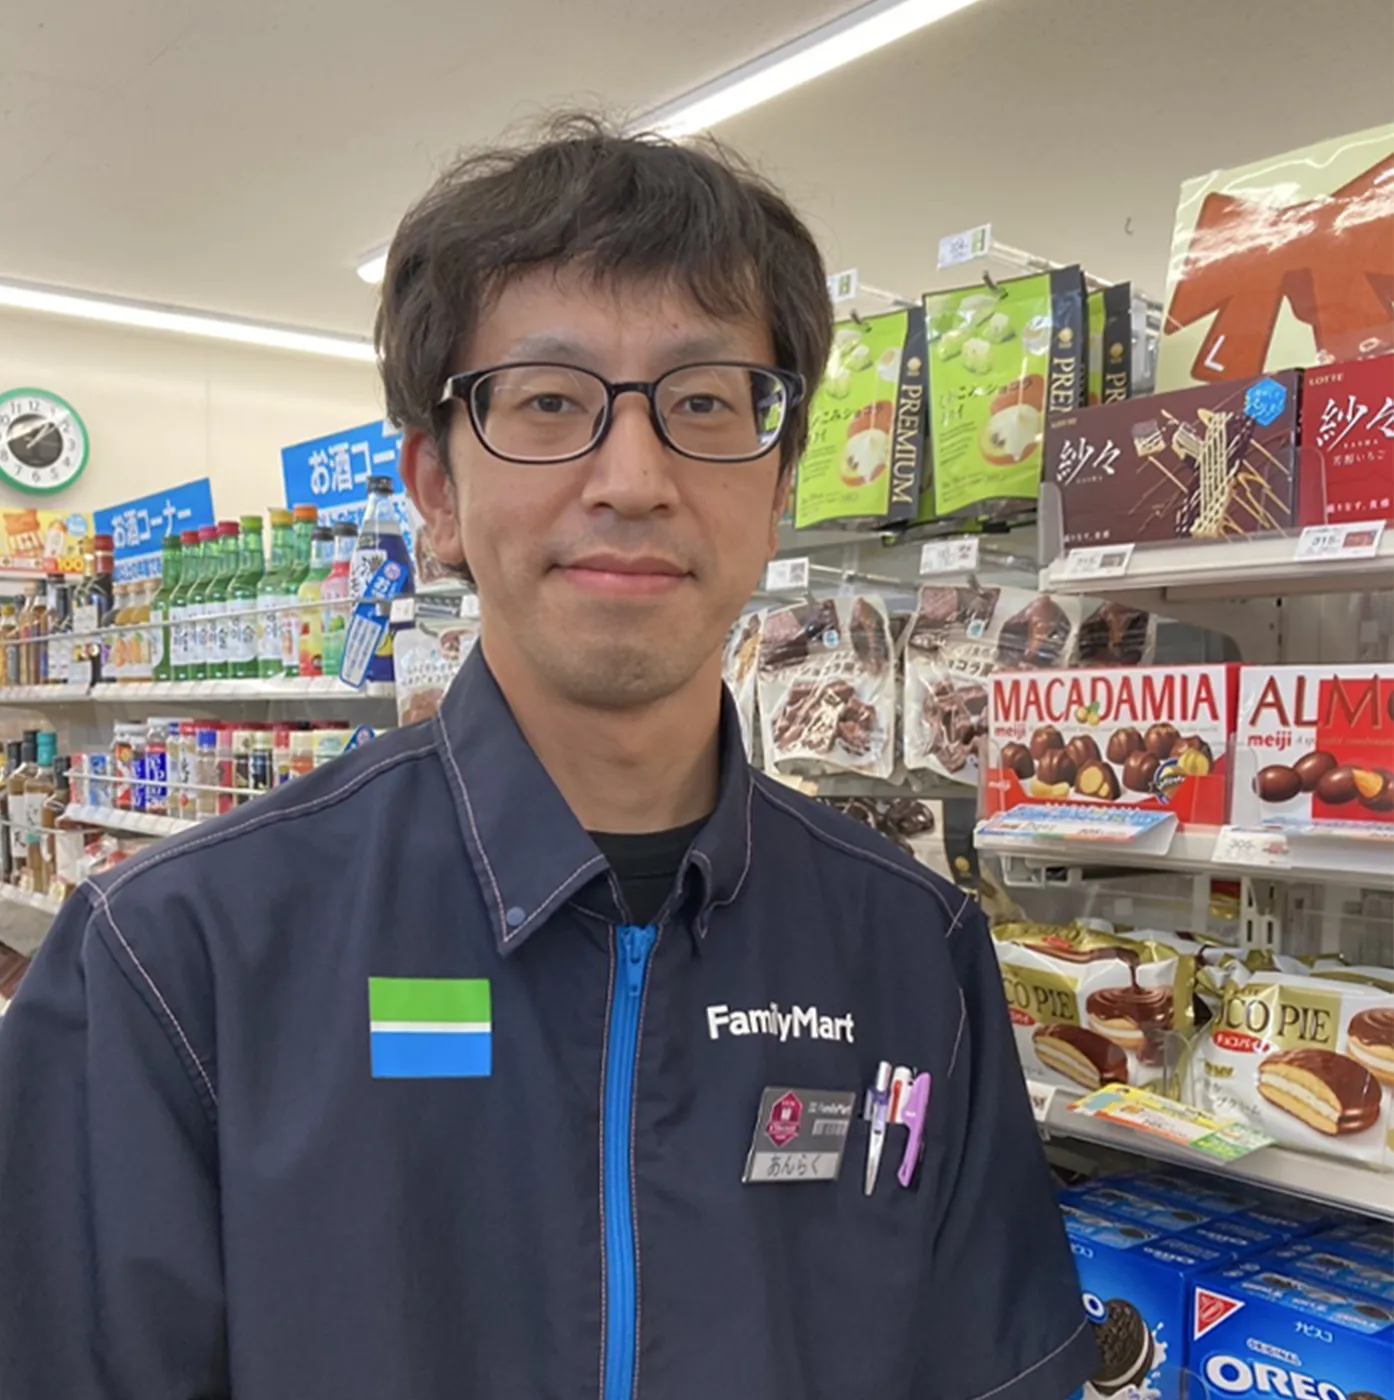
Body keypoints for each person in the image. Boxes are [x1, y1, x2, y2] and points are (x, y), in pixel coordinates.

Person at [0, 116, 1097, 1399]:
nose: (632, 477)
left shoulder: (913, 949)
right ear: (436, 489)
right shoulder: (178, 958)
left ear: (781, 480)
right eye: (547, 402)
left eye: (703, 401)